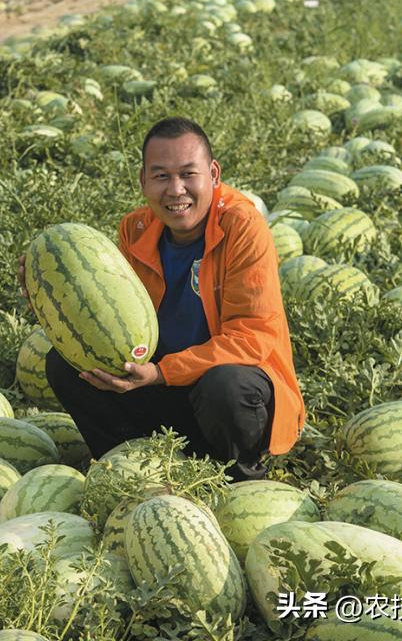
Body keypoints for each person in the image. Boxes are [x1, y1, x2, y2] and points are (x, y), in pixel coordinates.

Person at [19, 117, 304, 481]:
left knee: (225, 385)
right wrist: (51, 297)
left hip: (222, 395)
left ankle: (241, 476)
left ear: (213, 174)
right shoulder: (135, 230)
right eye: (161, 176)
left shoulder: (242, 227)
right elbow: (105, 316)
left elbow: (254, 337)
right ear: (143, 181)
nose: (176, 189)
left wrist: (161, 373)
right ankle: (132, 472)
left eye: (188, 174)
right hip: (164, 388)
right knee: (66, 365)